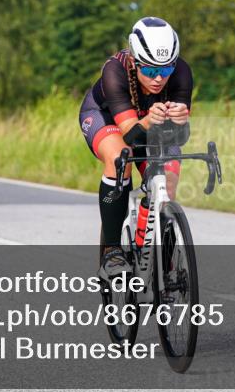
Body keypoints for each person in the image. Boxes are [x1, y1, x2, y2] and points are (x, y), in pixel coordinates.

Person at [78, 17, 192, 279]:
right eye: (150, 70)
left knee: (168, 178)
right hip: (106, 117)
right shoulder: (114, 70)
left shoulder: (182, 72)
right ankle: (112, 251)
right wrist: (149, 120)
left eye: (166, 69)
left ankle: (157, 261)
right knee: (121, 157)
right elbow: (130, 135)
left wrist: (180, 121)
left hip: (149, 121)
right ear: (135, 60)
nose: (159, 78)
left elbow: (180, 138)